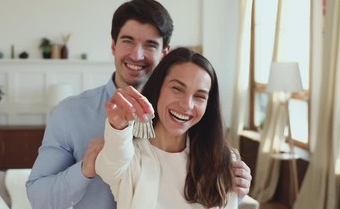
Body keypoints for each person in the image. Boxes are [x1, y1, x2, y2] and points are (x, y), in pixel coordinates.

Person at [26, 0, 251, 208]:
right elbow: (38, 197)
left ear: (165, 53)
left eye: (150, 45)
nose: (137, 55)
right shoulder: (71, 113)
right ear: (113, 45)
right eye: (128, 41)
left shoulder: (186, 123)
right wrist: (85, 168)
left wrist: (234, 189)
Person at [96, 47, 240, 208]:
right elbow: (109, 168)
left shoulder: (222, 160)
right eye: (177, 89)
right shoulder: (130, 157)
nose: (187, 105)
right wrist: (118, 126)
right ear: (159, 88)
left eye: (199, 96)